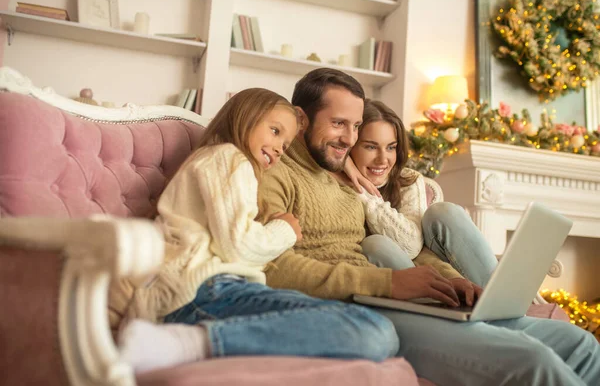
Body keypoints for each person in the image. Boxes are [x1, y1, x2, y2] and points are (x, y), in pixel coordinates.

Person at [258, 68, 600, 386]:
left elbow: (407, 250)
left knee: (580, 343)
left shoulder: (345, 178)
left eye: (356, 126)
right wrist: (389, 282)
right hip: (354, 309)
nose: (349, 138)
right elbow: (270, 266)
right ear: (301, 119)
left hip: (386, 296)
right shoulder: (275, 171)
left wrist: (451, 281)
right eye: (338, 124)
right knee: (533, 360)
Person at [115, 88, 399, 373]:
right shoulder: (228, 158)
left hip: (221, 289)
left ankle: (188, 342)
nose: (278, 148)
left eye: (286, 145)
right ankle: (185, 343)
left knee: (372, 328)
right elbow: (239, 246)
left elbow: (237, 246)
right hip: (203, 290)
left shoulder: (229, 166)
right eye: (274, 131)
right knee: (375, 330)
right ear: (245, 117)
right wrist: (284, 230)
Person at [342, 98, 499, 306]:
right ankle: (435, 312)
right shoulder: (336, 185)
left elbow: (412, 247)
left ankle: (498, 298)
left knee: (444, 212)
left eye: (391, 147)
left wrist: (363, 190)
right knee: (375, 244)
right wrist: (347, 170)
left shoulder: (408, 181)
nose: (383, 159)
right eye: (371, 147)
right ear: (351, 146)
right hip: (391, 285)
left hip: (425, 268)